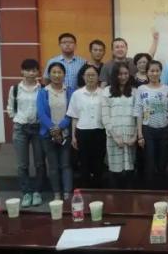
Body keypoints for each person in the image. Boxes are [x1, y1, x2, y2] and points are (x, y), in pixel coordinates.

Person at [7, 59, 44, 208]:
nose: (31, 73)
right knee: (22, 164)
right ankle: (26, 193)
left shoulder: (42, 88)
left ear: (38, 72)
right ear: (22, 71)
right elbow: (10, 108)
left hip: (38, 128)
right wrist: (17, 119)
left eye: (34, 70)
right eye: (28, 70)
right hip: (20, 128)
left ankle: (37, 192)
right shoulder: (15, 89)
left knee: (40, 163)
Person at [37, 62, 74, 201]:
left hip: (65, 134)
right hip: (48, 134)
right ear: (49, 74)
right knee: (52, 166)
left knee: (66, 165)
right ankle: (57, 193)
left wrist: (61, 127)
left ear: (64, 74)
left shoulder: (69, 91)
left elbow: (71, 111)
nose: (57, 75)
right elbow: (41, 113)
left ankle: (67, 193)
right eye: (54, 72)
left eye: (59, 72)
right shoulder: (43, 92)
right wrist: (53, 128)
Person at [67, 64, 106, 188]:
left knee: (99, 163)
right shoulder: (77, 94)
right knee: (84, 163)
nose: (90, 78)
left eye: (93, 75)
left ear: (98, 77)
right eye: (88, 75)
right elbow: (74, 117)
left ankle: (98, 191)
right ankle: (86, 191)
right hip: (82, 132)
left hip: (100, 132)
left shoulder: (104, 93)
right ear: (83, 77)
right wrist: (74, 136)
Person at [136, 60, 168, 189]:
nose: (154, 73)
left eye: (157, 71)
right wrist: (140, 135)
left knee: (163, 162)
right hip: (148, 130)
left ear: (161, 72)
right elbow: (138, 112)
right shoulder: (141, 89)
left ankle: (162, 190)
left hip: (164, 129)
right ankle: (149, 192)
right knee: (149, 162)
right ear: (147, 72)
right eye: (152, 71)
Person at [101, 62, 137, 188]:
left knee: (129, 170)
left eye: (126, 73)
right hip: (114, 136)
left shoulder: (134, 91)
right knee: (115, 171)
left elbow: (138, 115)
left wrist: (135, 136)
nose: (123, 76)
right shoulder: (106, 91)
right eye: (120, 74)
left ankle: (129, 198)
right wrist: (115, 136)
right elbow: (105, 116)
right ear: (114, 75)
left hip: (130, 136)